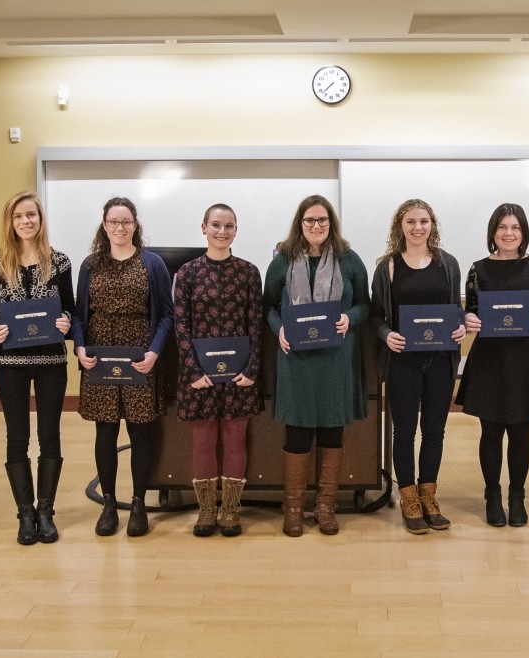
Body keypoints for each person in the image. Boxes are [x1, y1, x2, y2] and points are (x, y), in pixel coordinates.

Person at [263, 194, 370, 537]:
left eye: (322, 220)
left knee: (331, 433)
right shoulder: (282, 260)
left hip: (336, 361)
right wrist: (279, 329)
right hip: (296, 361)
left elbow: (365, 304)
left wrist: (349, 317)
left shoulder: (349, 259)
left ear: (331, 223)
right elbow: (269, 307)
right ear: (300, 223)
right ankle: (293, 508)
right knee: (297, 433)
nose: (316, 225)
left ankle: (325, 507)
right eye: (309, 220)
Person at [0, 191, 75, 546]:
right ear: (10, 221)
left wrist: (66, 321)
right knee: (17, 437)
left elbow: (71, 309)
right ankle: (25, 514)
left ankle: (46, 510)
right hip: (10, 365)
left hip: (51, 363)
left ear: (40, 219)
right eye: (18, 216)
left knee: (50, 435)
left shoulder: (59, 262)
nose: (25, 221)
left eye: (31, 215)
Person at [73, 197, 174, 538]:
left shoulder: (152, 263)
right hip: (100, 357)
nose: (120, 227)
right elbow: (79, 315)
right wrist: (80, 348)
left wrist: (154, 352)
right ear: (104, 226)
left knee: (139, 432)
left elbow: (166, 315)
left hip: (139, 359)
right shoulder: (90, 265)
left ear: (135, 225)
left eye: (126, 221)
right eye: (114, 222)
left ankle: (139, 503)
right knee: (105, 432)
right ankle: (109, 504)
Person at [456, 203, 529, 528]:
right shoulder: (478, 269)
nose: (508, 233)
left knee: (520, 432)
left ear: (523, 232)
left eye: (515, 227)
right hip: (489, 359)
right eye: (502, 227)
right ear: (493, 232)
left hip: (525, 360)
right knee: (490, 431)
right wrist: (469, 319)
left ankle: (517, 497)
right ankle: (492, 496)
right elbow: (471, 310)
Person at [370, 199, 466, 534]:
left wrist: (460, 327)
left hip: (440, 360)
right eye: (410, 221)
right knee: (405, 431)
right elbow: (376, 316)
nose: (417, 227)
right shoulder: (388, 267)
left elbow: (456, 310)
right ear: (400, 226)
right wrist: (387, 335)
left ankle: (429, 496)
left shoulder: (448, 264)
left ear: (432, 225)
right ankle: (408, 498)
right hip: (403, 362)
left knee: (435, 431)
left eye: (423, 221)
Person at [173, 204, 263, 537]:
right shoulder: (187, 273)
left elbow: (255, 324)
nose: (222, 232)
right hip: (200, 377)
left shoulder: (249, 272)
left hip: (240, 375)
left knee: (235, 441)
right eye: (216, 225)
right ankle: (207, 510)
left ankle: (230, 510)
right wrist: (193, 371)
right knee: (203, 443)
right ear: (204, 228)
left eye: (229, 226)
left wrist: (251, 369)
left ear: (236, 230)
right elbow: (181, 325)